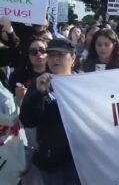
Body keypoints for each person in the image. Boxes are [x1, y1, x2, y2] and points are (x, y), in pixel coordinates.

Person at [19, 38, 81, 185]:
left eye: (61, 54)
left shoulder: (84, 82)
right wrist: (38, 94)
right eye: (52, 55)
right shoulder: (39, 83)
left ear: (73, 57)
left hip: (79, 160)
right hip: (51, 163)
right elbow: (28, 120)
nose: (55, 59)